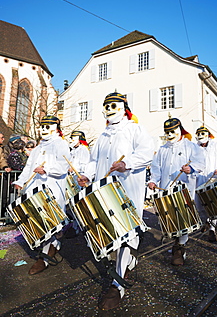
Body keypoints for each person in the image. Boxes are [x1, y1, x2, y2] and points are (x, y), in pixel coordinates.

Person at [77, 92, 154, 311]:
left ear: (123, 107)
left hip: (127, 189)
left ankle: (117, 283)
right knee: (109, 233)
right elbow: (93, 161)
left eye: (114, 105)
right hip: (105, 191)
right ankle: (127, 262)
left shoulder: (134, 128)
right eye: (106, 105)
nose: (109, 109)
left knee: (125, 233)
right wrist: (86, 175)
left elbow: (147, 152)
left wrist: (127, 162)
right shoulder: (102, 135)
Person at [13, 115, 70, 275]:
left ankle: (44, 257)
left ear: (55, 128)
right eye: (42, 126)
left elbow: (63, 166)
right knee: (40, 222)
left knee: (49, 222)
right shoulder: (37, 148)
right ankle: (53, 244)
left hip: (52, 189)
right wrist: (20, 181)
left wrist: (47, 169)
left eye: (47, 126)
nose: (44, 130)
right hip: (35, 189)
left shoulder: (62, 144)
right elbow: (28, 167)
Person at [148, 118, 205, 266]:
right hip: (166, 189)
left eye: (173, 131)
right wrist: (153, 180)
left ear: (180, 129)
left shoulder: (191, 146)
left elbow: (200, 163)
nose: (170, 134)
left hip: (184, 188)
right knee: (170, 218)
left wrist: (191, 169)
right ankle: (176, 242)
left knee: (183, 217)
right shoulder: (162, 149)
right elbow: (156, 168)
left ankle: (179, 247)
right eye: (167, 132)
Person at [195, 126, 217, 242]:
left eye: (203, 133)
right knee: (199, 205)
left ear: (208, 135)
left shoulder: (216, 146)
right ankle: (205, 221)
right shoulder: (194, 148)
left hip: (213, 179)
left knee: (212, 205)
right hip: (199, 180)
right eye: (198, 134)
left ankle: (212, 229)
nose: (201, 136)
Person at [65, 130, 90, 238]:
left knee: (77, 203)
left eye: (73, 138)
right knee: (71, 204)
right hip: (72, 179)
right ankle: (74, 225)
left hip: (79, 179)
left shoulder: (83, 150)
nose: (71, 141)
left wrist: (75, 169)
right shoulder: (72, 151)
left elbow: (85, 165)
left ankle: (77, 227)